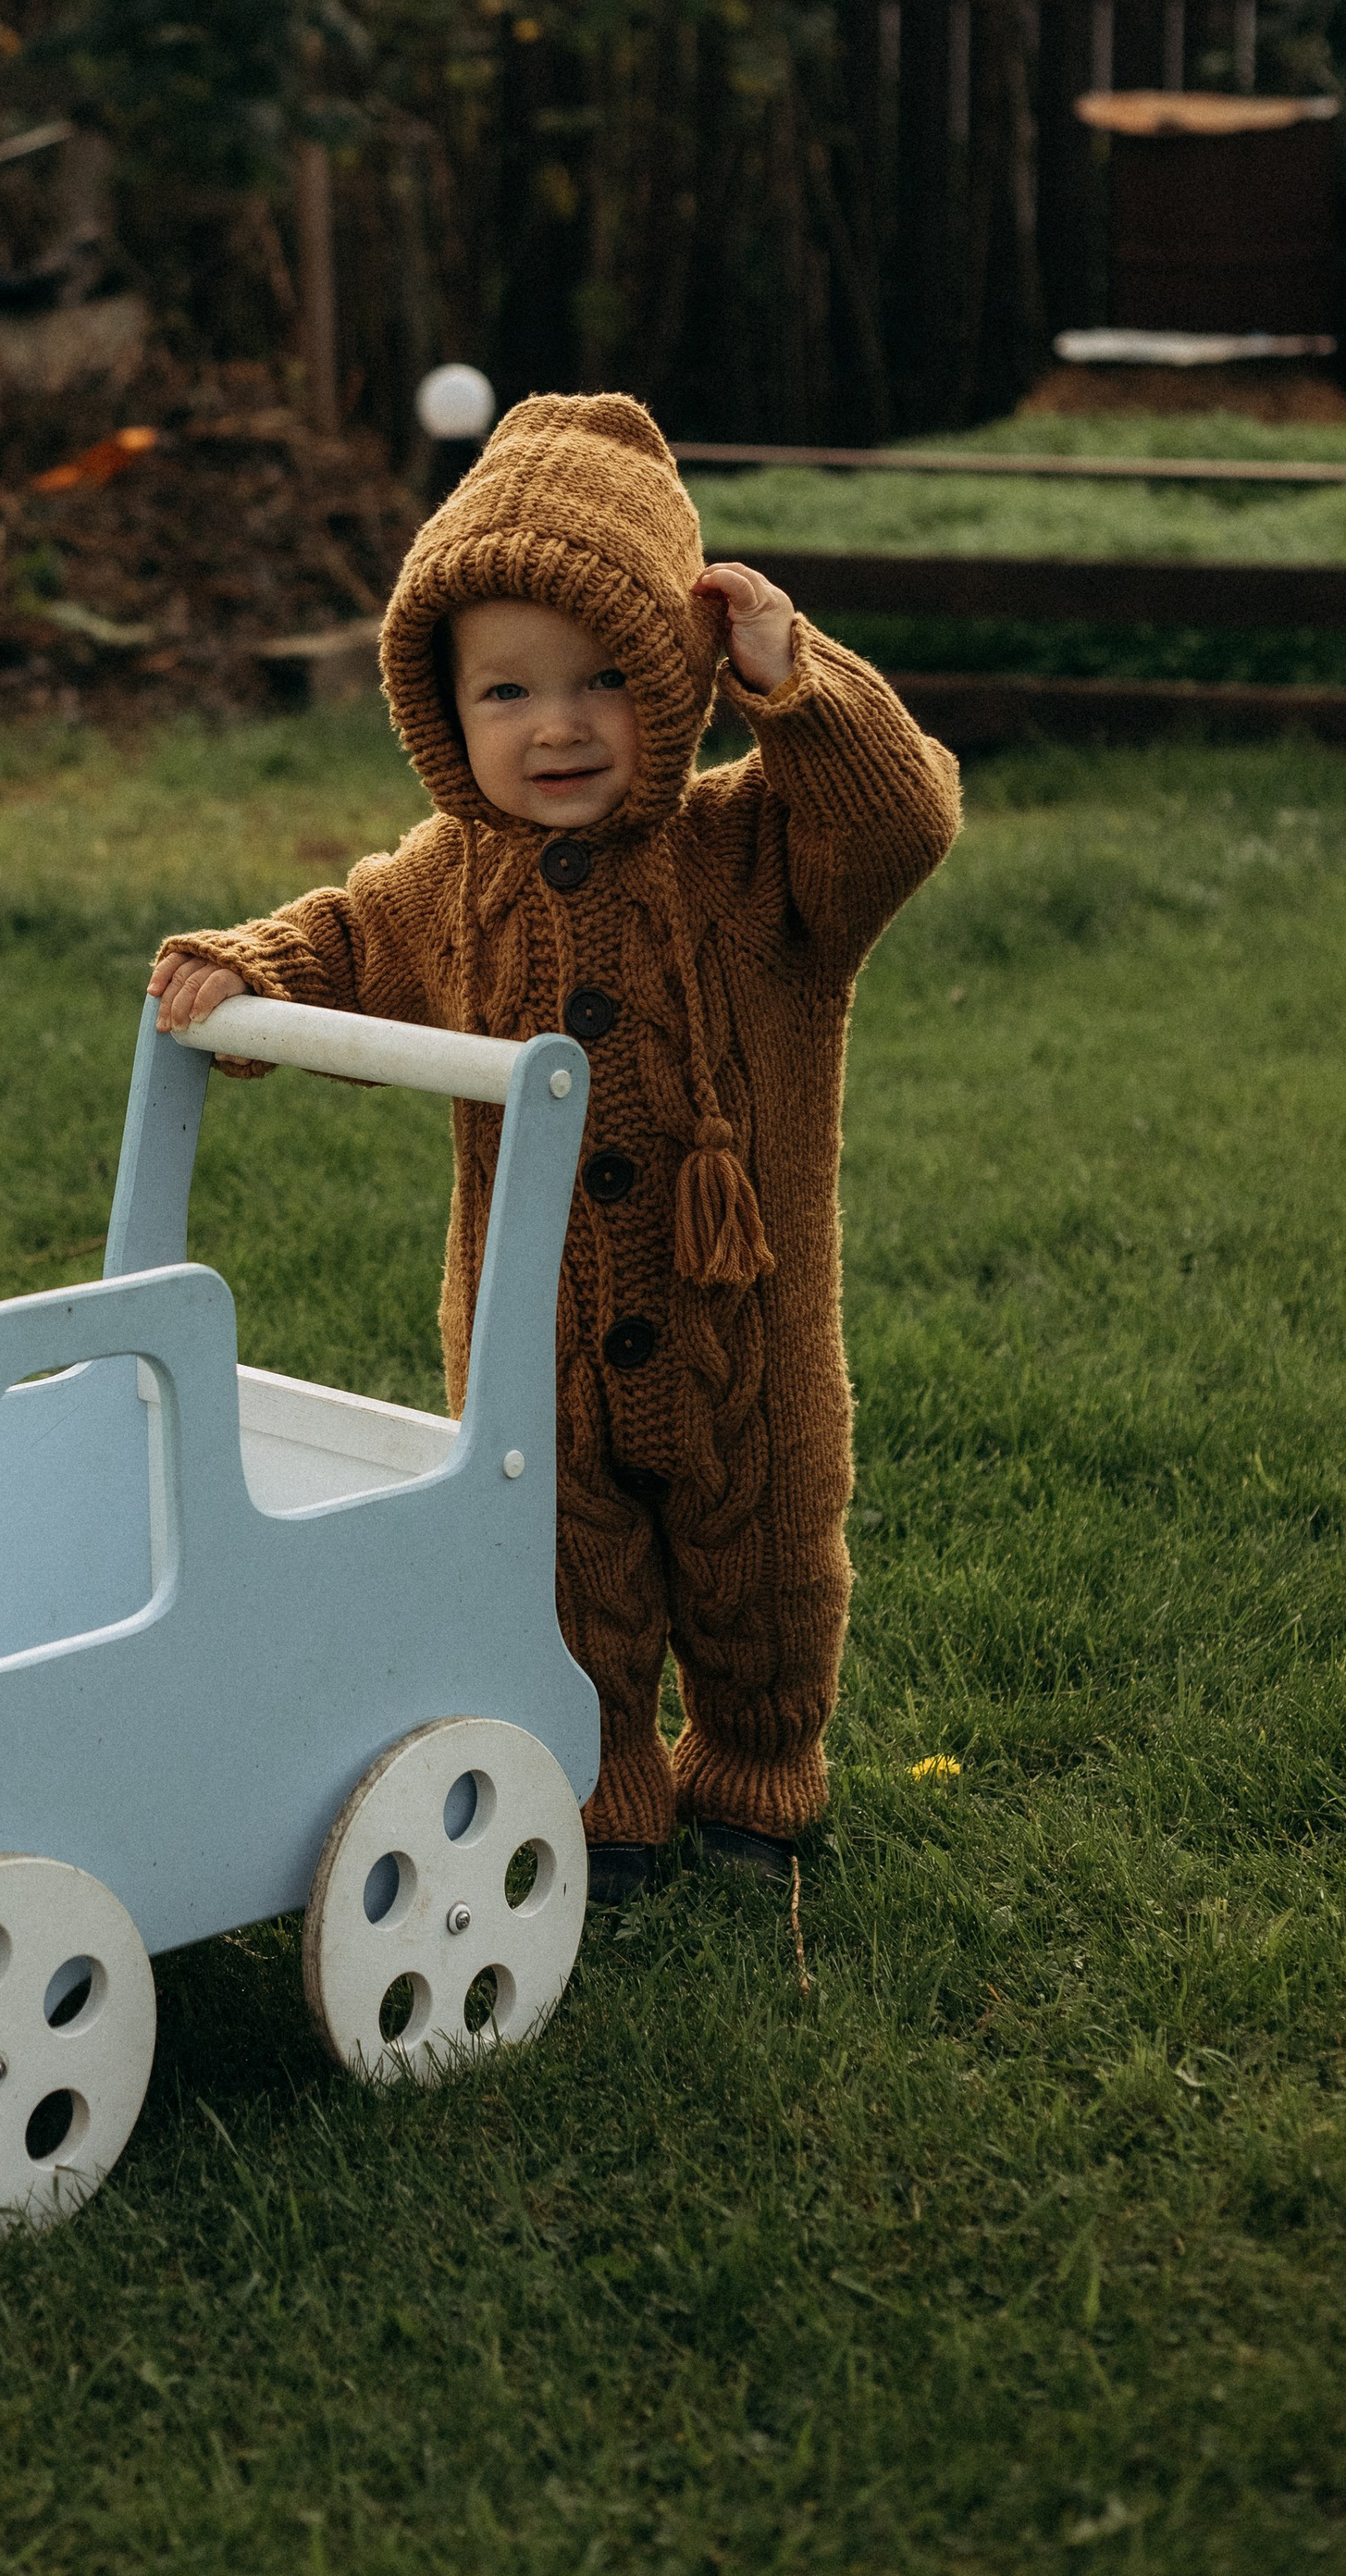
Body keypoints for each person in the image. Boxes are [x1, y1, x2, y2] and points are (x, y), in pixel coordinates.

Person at [149, 392, 960, 1898]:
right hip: (533, 1339)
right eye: (507, 692)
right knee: (554, 1564)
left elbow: (900, 819)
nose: (560, 724)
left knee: (768, 1560)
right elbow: (348, 937)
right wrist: (251, 969)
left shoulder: (756, 851)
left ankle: (758, 1773)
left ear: (681, 676)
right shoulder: (452, 881)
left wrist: (799, 681)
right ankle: (600, 1788)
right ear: (443, 712)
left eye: (606, 680)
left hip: (746, 1327)